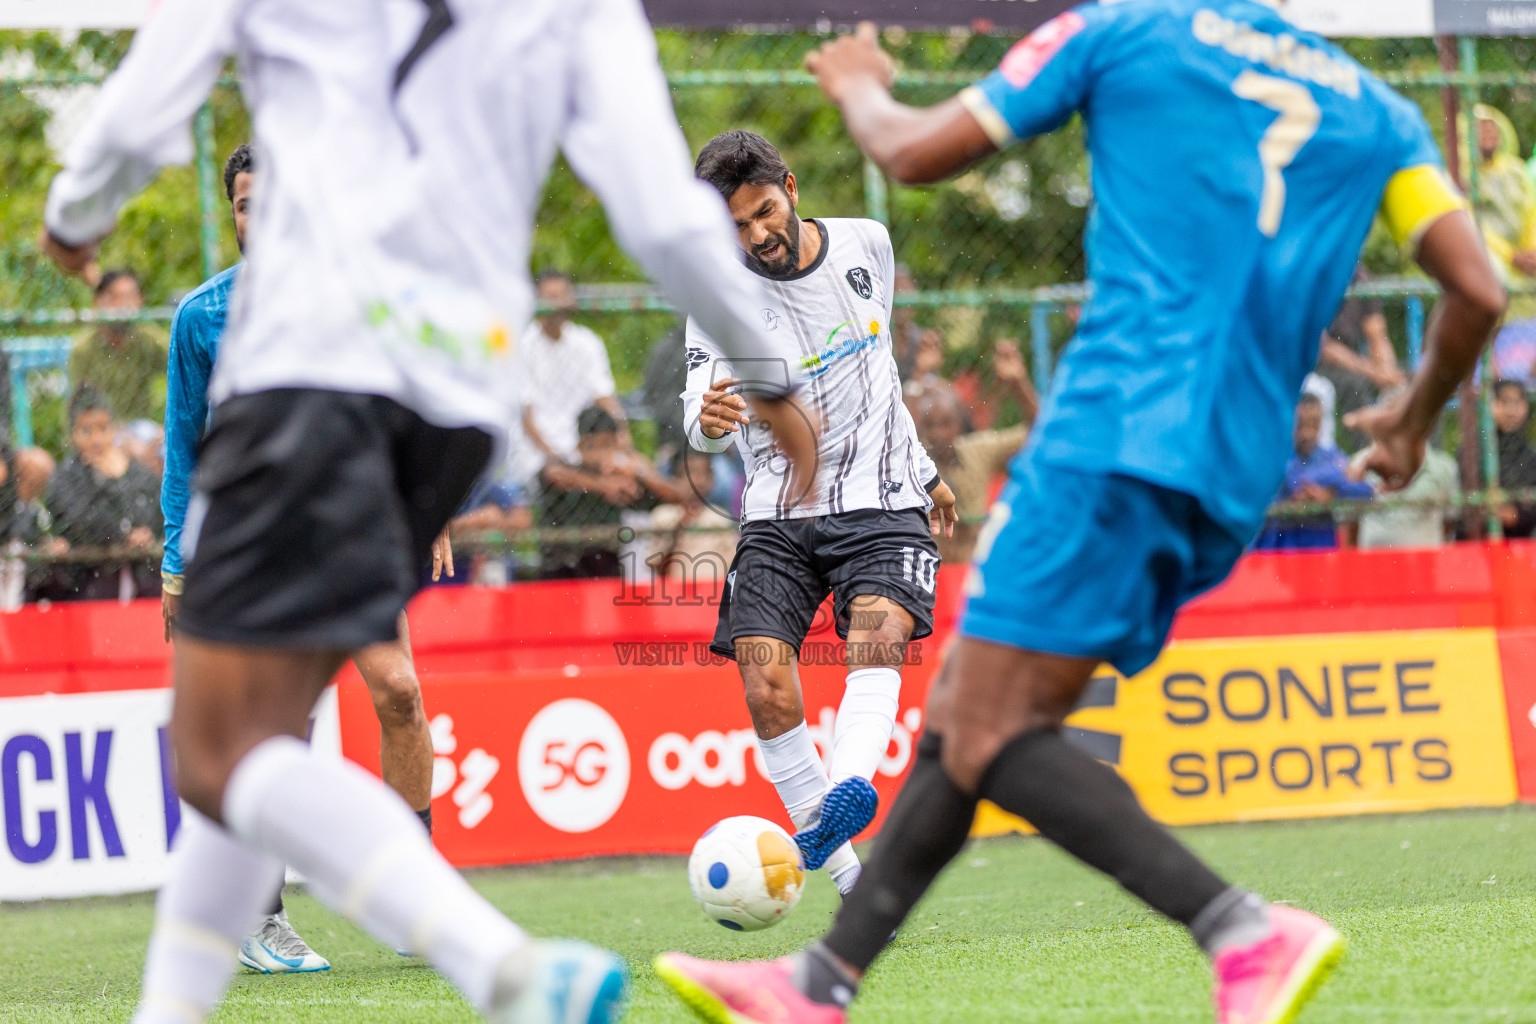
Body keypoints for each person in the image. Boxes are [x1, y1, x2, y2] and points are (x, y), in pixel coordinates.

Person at [655, 5, 1506, 1024]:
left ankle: (1241, 929)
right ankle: (821, 982)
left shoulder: (1126, 32)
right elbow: (1480, 289)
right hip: (1239, 465)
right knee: (970, 709)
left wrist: (859, 86)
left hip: (1117, 434)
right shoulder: (1382, 112)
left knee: (987, 725)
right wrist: (1412, 419)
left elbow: (913, 152)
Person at [42, 0, 811, 1020]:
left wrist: (76, 212)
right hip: (456, 408)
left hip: (314, 372)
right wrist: (766, 369)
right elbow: (663, 214)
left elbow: (146, 102)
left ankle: (502, 965)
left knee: (218, 750)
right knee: (251, 732)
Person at [159, 143, 444, 974]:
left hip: (349, 530)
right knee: (270, 732)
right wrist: (177, 561)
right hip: (250, 544)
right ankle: (258, 915)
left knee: (400, 694)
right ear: (234, 216)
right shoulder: (202, 317)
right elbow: (184, 447)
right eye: (245, 205)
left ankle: (411, 897)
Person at [685, 130, 959, 895]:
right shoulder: (715, 300)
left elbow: (881, 372)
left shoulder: (868, 244)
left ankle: (847, 786)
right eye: (736, 227)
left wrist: (925, 471)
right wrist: (706, 422)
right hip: (778, 512)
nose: (756, 236)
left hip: (881, 497)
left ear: (792, 189)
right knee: (764, 682)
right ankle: (848, 880)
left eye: (764, 213)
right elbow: (698, 412)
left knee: (879, 633)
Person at [911, 340, 1038, 563]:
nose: (938, 433)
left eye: (945, 423)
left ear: (960, 424)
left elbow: (1037, 431)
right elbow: (899, 424)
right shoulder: (915, 461)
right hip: (933, 566)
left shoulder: (978, 450)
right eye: (930, 425)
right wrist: (919, 375)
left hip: (974, 563)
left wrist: (1018, 384)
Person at [35, 388, 161, 602]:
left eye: (103, 429)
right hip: (88, 579)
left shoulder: (135, 471)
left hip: (141, 576)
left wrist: (144, 532)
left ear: (114, 430)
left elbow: (154, 514)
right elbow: (89, 527)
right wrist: (113, 483)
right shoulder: (65, 477)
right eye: (86, 431)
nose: (96, 439)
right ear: (73, 434)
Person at [536, 404, 691, 578]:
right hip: (561, 567)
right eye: (595, 446)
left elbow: (680, 496)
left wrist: (642, 471)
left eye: (608, 444)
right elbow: (552, 473)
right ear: (581, 446)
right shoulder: (569, 470)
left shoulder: (625, 474)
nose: (603, 453)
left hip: (605, 569)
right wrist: (603, 484)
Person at [507, 271, 630, 486]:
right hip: (537, 451)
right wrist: (555, 457)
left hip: (585, 445)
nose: (557, 304)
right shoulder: (521, 346)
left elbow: (605, 398)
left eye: (562, 295)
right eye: (550, 297)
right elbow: (526, 418)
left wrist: (623, 438)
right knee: (557, 473)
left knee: (629, 467)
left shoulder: (587, 342)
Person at [1252, 393, 1373, 551]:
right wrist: (1332, 481)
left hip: (1320, 548)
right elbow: (1290, 480)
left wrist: (1331, 494)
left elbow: (1366, 490)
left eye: (1313, 425)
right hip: (1277, 547)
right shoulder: (1274, 456)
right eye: (1300, 425)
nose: (1307, 433)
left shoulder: (1330, 456)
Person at [1470, 105, 1536, 385]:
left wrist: (1530, 251)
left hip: (1525, 259)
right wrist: (1510, 256)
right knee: (1489, 281)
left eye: (1491, 127)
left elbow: (1531, 212)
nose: (1488, 134)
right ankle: (1490, 365)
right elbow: (1471, 223)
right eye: (1480, 128)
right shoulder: (1465, 176)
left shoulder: (1517, 171)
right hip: (1490, 258)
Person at [70, 268, 169, 424]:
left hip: (141, 426)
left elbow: (182, 360)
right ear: (98, 301)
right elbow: (79, 408)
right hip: (101, 428)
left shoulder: (147, 338)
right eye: (114, 297)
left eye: (130, 296)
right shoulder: (84, 349)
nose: (125, 305)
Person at [1484, 379, 1536, 538]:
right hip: (1480, 541)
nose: (1511, 410)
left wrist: (1517, 516)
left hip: (1522, 541)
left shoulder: (1531, 456)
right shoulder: (1474, 453)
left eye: (1517, 402)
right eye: (1504, 402)